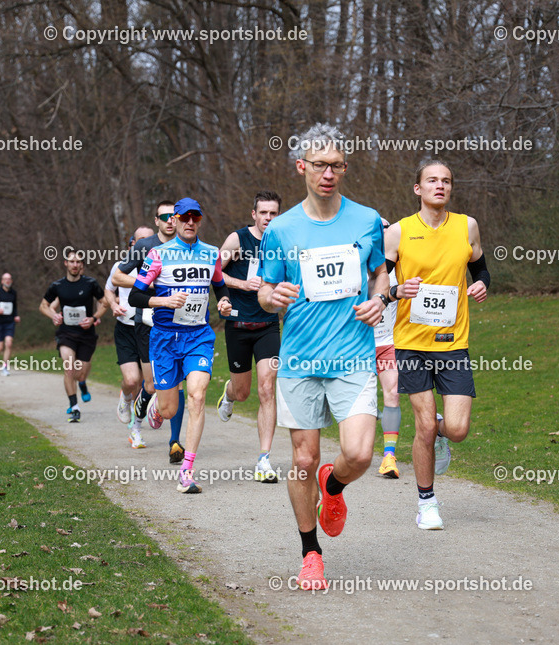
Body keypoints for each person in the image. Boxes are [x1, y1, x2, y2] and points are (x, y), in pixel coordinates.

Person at [258, 124, 388, 590]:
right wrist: (276, 298)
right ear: (302, 168)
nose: (328, 173)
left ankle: (334, 488)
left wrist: (380, 299)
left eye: (336, 165)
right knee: (302, 459)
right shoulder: (282, 228)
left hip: (352, 355)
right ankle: (310, 553)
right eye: (319, 165)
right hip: (299, 360)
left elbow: (380, 276)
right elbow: (266, 291)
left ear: (345, 169)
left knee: (359, 453)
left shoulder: (368, 219)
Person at [384, 159, 490, 530]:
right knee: (423, 426)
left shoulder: (467, 226)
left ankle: (442, 428)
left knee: (457, 430)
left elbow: (480, 266)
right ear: (418, 189)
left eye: (446, 181)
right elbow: (380, 284)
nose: (440, 186)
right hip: (411, 343)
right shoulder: (398, 232)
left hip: (452, 343)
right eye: (432, 180)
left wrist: (482, 284)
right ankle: (426, 503)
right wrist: (396, 290)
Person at [116, 198, 232, 494]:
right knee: (169, 409)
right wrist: (163, 301)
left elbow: (219, 284)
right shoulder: (158, 254)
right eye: (184, 217)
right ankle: (157, 405)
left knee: (196, 395)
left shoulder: (210, 254)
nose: (190, 222)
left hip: (198, 337)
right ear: (176, 221)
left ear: (200, 220)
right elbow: (135, 297)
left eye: (196, 217)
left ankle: (187, 471)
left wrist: (223, 300)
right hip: (165, 338)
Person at [216, 190, 282, 483]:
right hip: (239, 325)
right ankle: (229, 395)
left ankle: (264, 459)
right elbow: (214, 271)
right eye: (263, 213)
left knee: (267, 388)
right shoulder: (237, 239)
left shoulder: (283, 242)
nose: (268, 218)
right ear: (254, 214)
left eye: (273, 213)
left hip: (268, 325)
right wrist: (242, 285)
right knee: (243, 392)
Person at [113, 200, 187, 464]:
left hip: (180, 324)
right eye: (164, 216)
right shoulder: (145, 247)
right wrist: (147, 281)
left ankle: (175, 440)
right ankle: (138, 420)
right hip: (147, 323)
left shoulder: (188, 244)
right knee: (151, 384)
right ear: (156, 221)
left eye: (174, 216)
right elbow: (117, 278)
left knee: (177, 381)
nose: (170, 220)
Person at [40, 251, 107, 423]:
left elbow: (104, 303)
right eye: (72, 261)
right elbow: (44, 305)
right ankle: (74, 406)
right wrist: (53, 316)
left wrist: (94, 318)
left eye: (78, 261)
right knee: (69, 367)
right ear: (66, 264)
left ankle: (82, 384)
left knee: (81, 374)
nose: (75, 264)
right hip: (66, 334)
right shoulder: (57, 285)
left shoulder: (90, 283)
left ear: (82, 265)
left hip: (86, 335)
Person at [105, 226, 155, 448]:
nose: (146, 244)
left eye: (149, 239)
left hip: (148, 328)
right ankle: (125, 398)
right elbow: (109, 289)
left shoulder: (161, 263)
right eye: (141, 240)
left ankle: (136, 429)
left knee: (148, 384)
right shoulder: (121, 267)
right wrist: (113, 304)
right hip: (126, 328)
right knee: (132, 380)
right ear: (132, 244)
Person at [373, 219, 402, 479]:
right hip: (357, 345)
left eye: (386, 229)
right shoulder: (358, 264)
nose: (383, 233)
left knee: (393, 392)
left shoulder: (399, 266)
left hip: (388, 342)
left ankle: (389, 456)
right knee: (362, 405)